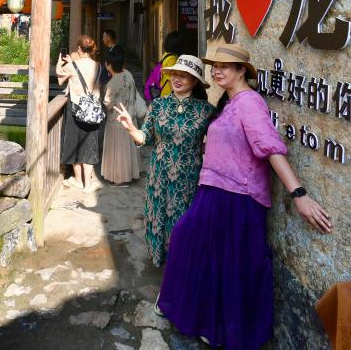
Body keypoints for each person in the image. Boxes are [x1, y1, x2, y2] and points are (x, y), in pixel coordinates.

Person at [158, 44, 333, 348]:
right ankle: (209, 322)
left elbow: (270, 148)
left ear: (242, 71)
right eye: (215, 66)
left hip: (238, 196)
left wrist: (299, 194)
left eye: (225, 66)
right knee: (199, 248)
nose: (217, 71)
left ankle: (224, 329)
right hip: (214, 189)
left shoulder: (250, 102)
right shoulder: (230, 102)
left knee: (230, 265)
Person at [115, 54, 215, 266]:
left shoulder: (206, 111)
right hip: (158, 176)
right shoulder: (158, 105)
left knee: (184, 222)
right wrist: (131, 128)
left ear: (195, 81)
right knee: (158, 216)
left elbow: (218, 144)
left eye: (184, 76)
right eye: (174, 74)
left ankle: (181, 265)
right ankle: (161, 260)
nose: (177, 79)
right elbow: (144, 138)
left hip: (188, 180)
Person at [56, 35, 104, 193]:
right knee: (89, 145)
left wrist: (60, 62)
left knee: (74, 143)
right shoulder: (98, 66)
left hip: (75, 109)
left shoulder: (72, 66)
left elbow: (60, 79)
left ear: (78, 48)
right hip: (92, 110)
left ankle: (78, 181)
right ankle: (87, 185)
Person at [100, 51, 140, 185]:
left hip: (116, 120)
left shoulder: (112, 83)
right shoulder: (128, 74)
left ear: (109, 65)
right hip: (130, 116)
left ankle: (118, 177)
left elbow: (108, 103)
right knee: (128, 146)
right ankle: (131, 173)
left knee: (117, 149)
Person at [144, 31, 182, 102]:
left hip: (164, 91)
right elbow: (172, 79)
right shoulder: (172, 59)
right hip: (168, 93)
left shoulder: (166, 54)